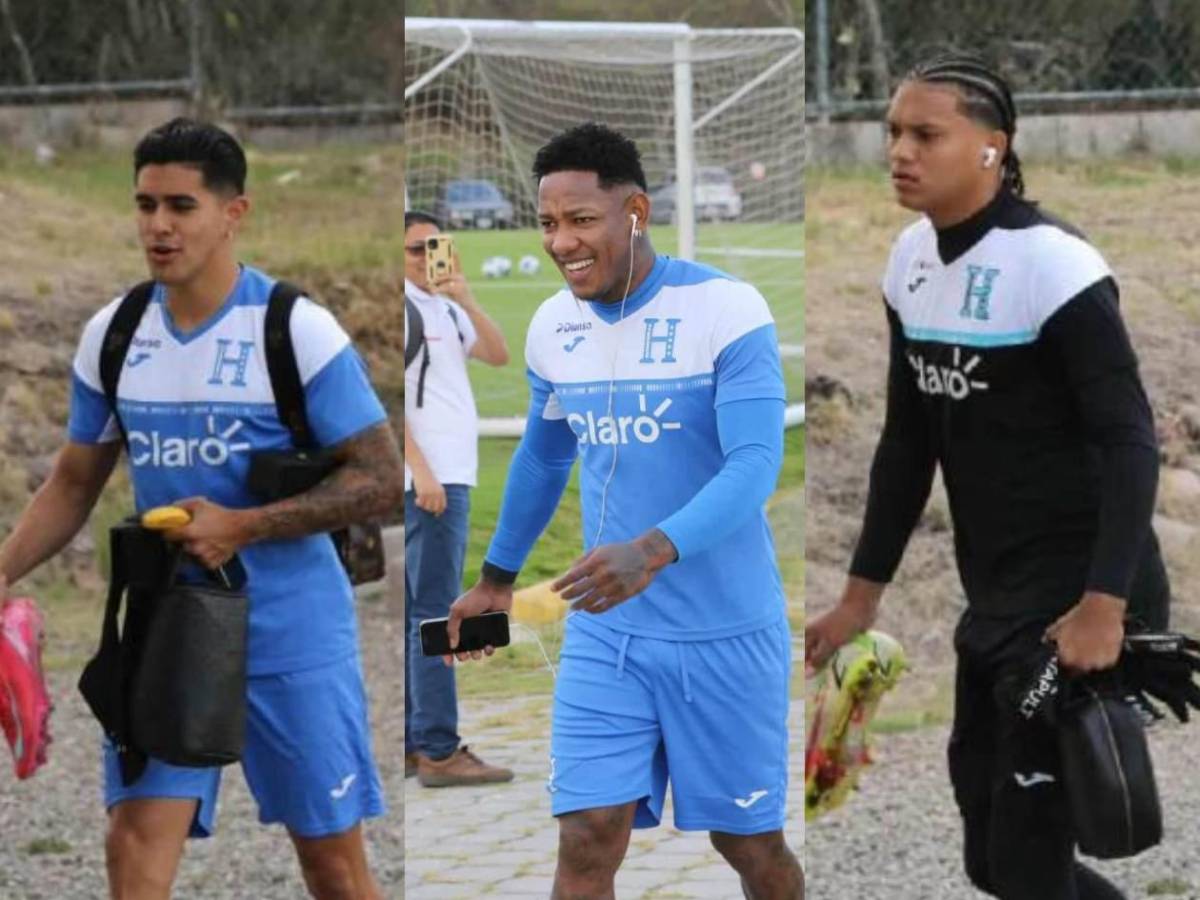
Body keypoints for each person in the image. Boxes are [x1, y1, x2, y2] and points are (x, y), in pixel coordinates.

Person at [0, 118, 403, 900]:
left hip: (293, 626)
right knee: (137, 840)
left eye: (181, 206)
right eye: (145, 204)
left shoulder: (294, 329)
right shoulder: (113, 335)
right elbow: (75, 482)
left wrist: (243, 527)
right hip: (170, 625)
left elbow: (383, 480)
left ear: (233, 213)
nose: (158, 225)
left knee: (333, 864)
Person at [805, 55, 1168, 900]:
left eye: (927, 134)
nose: (900, 150)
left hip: (1081, 598)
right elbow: (907, 442)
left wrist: (1104, 607)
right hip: (997, 596)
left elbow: (1130, 443)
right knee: (989, 857)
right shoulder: (910, 262)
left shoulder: (1053, 265)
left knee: (1028, 856)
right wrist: (861, 596)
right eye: (893, 131)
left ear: (991, 149)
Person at [447, 122, 804, 899]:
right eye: (547, 223)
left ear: (635, 210)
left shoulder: (725, 309)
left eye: (581, 220)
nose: (561, 242)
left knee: (750, 845)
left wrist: (651, 549)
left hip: (726, 632)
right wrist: (497, 580)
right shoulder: (552, 325)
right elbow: (544, 457)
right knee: (586, 837)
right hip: (609, 633)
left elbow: (756, 464)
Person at [402, 211, 513, 787]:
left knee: (418, 611)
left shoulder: (442, 306)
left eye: (434, 247)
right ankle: (440, 750)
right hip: (432, 483)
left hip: (448, 476)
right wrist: (422, 473)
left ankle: (416, 741)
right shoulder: (405, 310)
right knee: (438, 613)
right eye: (415, 249)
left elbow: (498, 354)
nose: (426, 258)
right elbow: (388, 404)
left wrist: (465, 297)